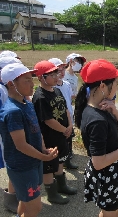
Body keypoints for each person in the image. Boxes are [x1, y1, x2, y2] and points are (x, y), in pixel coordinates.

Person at [74, 59, 118, 217]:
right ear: (102, 86)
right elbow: (98, 162)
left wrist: (115, 110)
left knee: (107, 211)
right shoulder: (97, 120)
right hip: (106, 175)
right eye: (116, 83)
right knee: (111, 213)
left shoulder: (98, 107)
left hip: (108, 172)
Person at [0, 63, 58, 217]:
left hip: (34, 162)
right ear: (12, 84)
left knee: (25, 201)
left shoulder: (27, 103)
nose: (33, 84)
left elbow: (36, 130)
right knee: (35, 208)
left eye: (31, 79)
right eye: (27, 80)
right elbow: (21, 145)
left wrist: (43, 148)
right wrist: (43, 157)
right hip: (22, 166)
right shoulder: (12, 111)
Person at [32, 60, 77, 205]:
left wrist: (69, 125)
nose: (56, 76)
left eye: (55, 73)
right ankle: (52, 194)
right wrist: (65, 129)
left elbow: (65, 109)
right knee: (49, 166)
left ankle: (62, 185)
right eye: (51, 74)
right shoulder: (40, 97)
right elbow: (48, 120)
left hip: (62, 134)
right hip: (49, 137)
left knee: (61, 159)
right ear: (41, 77)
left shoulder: (56, 90)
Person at [0, 56, 22, 214]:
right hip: (7, 134)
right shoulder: (2, 90)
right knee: (12, 164)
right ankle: (10, 198)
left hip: (10, 132)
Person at [49, 57, 78, 169]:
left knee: (69, 140)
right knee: (59, 142)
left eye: (63, 69)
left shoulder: (66, 84)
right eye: (58, 70)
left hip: (69, 118)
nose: (61, 72)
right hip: (59, 121)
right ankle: (57, 165)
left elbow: (70, 99)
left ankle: (67, 160)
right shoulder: (52, 88)